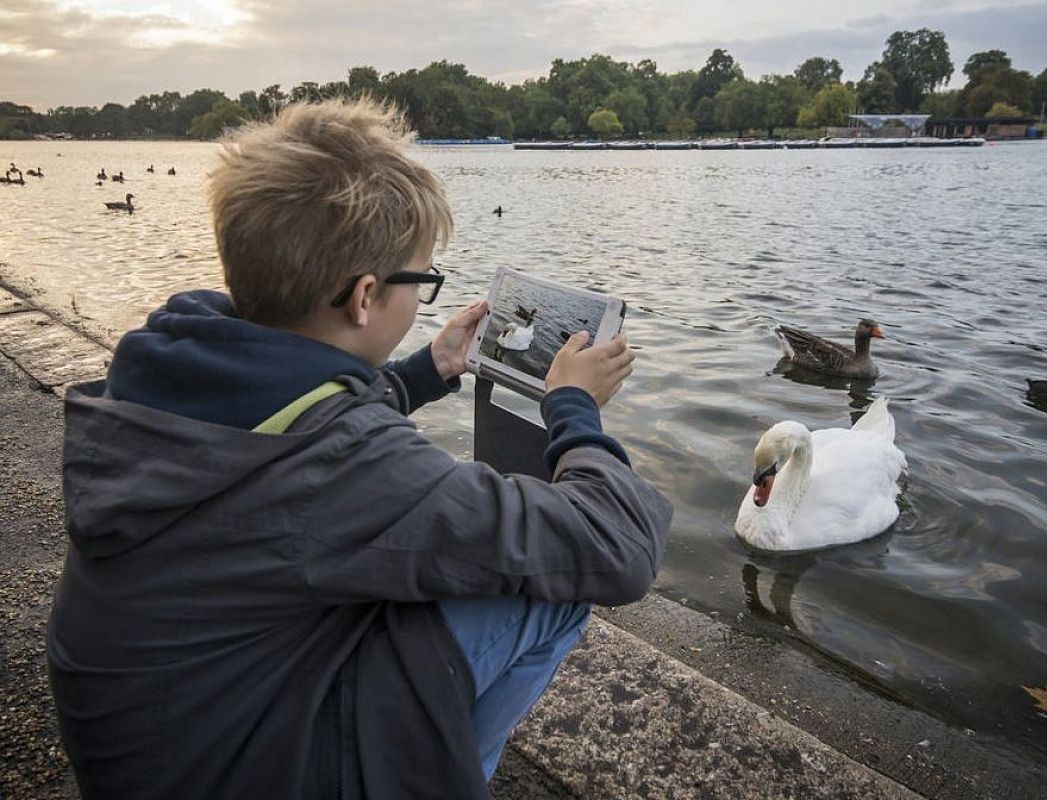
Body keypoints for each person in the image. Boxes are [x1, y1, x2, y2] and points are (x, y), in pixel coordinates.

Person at [47, 99, 673, 799]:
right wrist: (574, 407)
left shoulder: (168, 362)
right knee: (549, 590)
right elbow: (615, 547)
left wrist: (420, 373)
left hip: (155, 744)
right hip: (237, 768)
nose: (425, 298)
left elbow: (290, 433)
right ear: (366, 297)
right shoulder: (343, 467)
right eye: (423, 281)